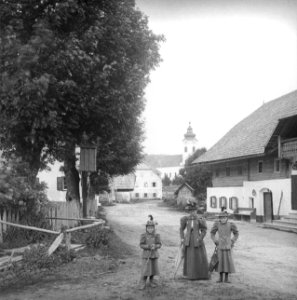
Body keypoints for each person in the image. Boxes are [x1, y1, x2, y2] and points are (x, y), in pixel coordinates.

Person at [180, 200, 209, 280]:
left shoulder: (200, 219)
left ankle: (200, 274)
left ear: (196, 211)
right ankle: (190, 274)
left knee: (198, 256)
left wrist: (200, 238)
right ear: (189, 211)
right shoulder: (186, 219)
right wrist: (182, 238)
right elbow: (181, 229)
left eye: (194, 211)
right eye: (191, 211)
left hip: (197, 240)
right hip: (188, 240)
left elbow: (204, 230)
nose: (192, 212)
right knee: (190, 257)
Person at [210, 210, 239, 283]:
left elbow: (236, 233)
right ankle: (220, 278)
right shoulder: (217, 224)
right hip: (220, 246)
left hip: (228, 246)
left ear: (227, 218)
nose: (223, 219)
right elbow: (212, 233)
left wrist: (232, 241)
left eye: (224, 217)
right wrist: (215, 241)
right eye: (221, 218)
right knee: (220, 262)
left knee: (227, 261)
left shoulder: (231, 224)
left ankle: (226, 278)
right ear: (219, 218)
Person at [139, 215, 162, 290]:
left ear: (154, 228)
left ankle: (151, 280)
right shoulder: (143, 235)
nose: (150, 230)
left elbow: (159, 244)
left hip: (154, 255)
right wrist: (148, 246)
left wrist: (155, 246)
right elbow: (141, 245)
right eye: (148, 228)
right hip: (146, 255)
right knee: (145, 269)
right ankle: (143, 281)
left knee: (153, 269)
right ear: (146, 228)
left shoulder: (156, 235)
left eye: (152, 228)